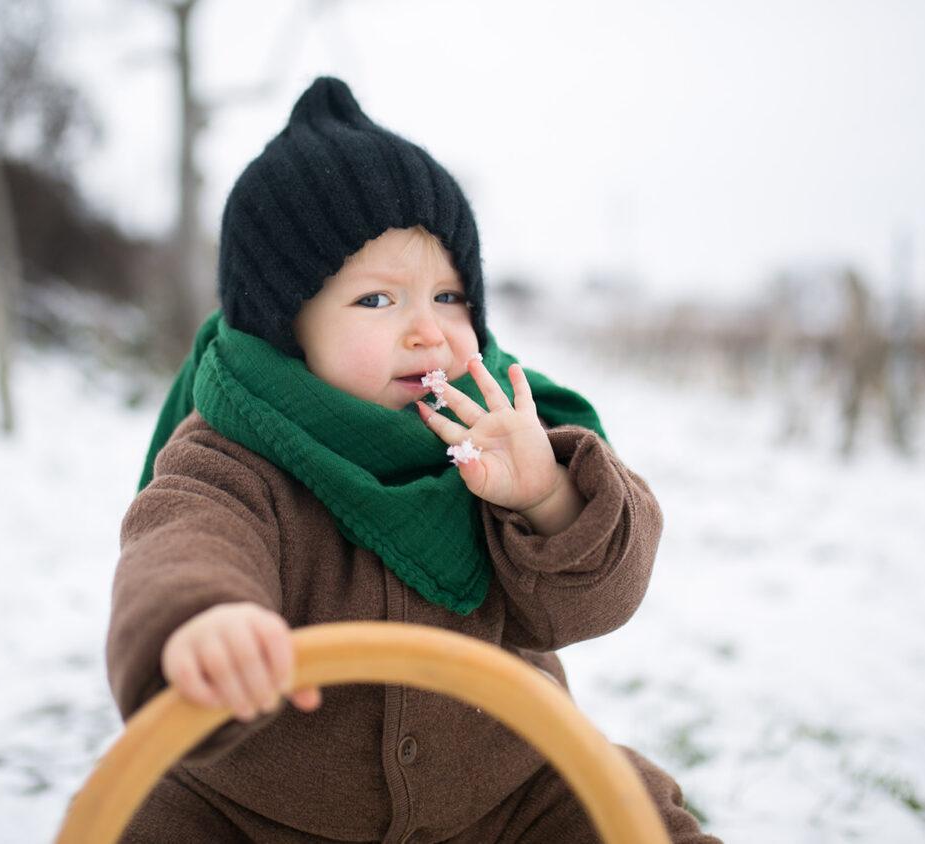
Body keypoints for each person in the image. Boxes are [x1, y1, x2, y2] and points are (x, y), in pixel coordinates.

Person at [107, 76, 718, 843]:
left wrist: (546, 498)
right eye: (377, 300)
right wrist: (204, 621)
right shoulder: (231, 452)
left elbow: (590, 605)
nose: (428, 332)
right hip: (264, 810)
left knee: (623, 808)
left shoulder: (496, 426)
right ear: (285, 325)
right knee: (152, 818)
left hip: (501, 791)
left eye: (451, 297)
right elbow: (181, 543)